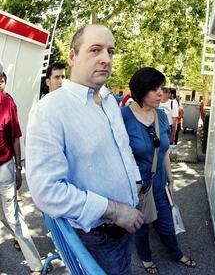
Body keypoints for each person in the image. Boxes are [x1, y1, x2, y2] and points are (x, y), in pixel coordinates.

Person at [25, 24, 144, 275]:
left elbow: (124, 149)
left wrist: (136, 184)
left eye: (110, 51)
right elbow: (47, 191)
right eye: (95, 50)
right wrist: (115, 211)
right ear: (72, 56)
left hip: (124, 225)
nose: (106, 59)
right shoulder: (50, 110)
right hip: (98, 237)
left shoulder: (110, 100)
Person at [121, 67, 196, 275]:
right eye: (155, 89)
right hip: (138, 190)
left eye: (161, 88)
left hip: (160, 185)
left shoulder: (162, 116)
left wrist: (171, 182)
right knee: (141, 228)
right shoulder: (123, 116)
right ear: (141, 90)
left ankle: (176, 253)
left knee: (167, 225)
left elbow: (162, 153)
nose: (160, 93)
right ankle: (146, 259)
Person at [0, 72, 43, 275]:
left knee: (13, 216)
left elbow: (16, 138)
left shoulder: (7, 102)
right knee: (6, 216)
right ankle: (19, 239)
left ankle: (35, 264)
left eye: (1, 78)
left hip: (4, 169)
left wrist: (18, 169)